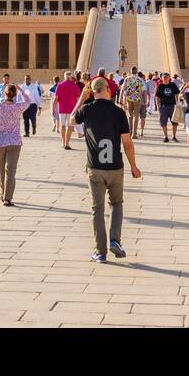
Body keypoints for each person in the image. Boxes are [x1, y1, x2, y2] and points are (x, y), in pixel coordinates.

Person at [73, 76, 140, 262]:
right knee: (117, 204)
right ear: (109, 91)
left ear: (92, 91)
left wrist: (81, 98)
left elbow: (71, 120)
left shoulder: (86, 109)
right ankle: (115, 240)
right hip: (116, 167)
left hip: (95, 167)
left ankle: (100, 252)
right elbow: (127, 143)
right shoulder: (119, 112)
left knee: (97, 209)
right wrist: (134, 166)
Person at [0, 84, 29, 206]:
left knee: (2, 169)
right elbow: (28, 100)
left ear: (4, 94)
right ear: (15, 95)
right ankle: (7, 198)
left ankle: (2, 192)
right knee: (11, 171)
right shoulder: (18, 107)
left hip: (0, 142)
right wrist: (20, 89)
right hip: (15, 142)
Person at [54, 71, 82, 150]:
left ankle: (63, 142)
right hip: (72, 109)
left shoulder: (59, 85)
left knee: (62, 125)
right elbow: (78, 99)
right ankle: (67, 143)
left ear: (64, 77)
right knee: (69, 126)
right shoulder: (75, 86)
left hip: (62, 109)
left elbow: (56, 99)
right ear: (71, 77)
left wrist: (53, 109)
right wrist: (79, 108)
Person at [120, 66, 147, 138]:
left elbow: (122, 89)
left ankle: (130, 131)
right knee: (136, 116)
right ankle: (134, 134)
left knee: (130, 116)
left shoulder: (127, 78)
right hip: (137, 99)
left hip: (129, 99)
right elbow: (144, 91)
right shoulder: (140, 79)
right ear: (136, 71)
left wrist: (120, 99)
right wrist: (145, 101)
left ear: (131, 71)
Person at [155, 72, 181, 143]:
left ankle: (174, 136)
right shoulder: (160, 86)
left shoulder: (172, 85)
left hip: (172, 106)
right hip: (163, 107)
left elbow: (178, 93)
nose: (165, 79)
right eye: (164, 77)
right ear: (162, 78)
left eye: (167, 77)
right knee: (163, 123)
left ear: (169, 78)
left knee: (174, 122)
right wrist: (158, 106)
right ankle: (166, 137)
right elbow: (157, 96)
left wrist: (179, 102)